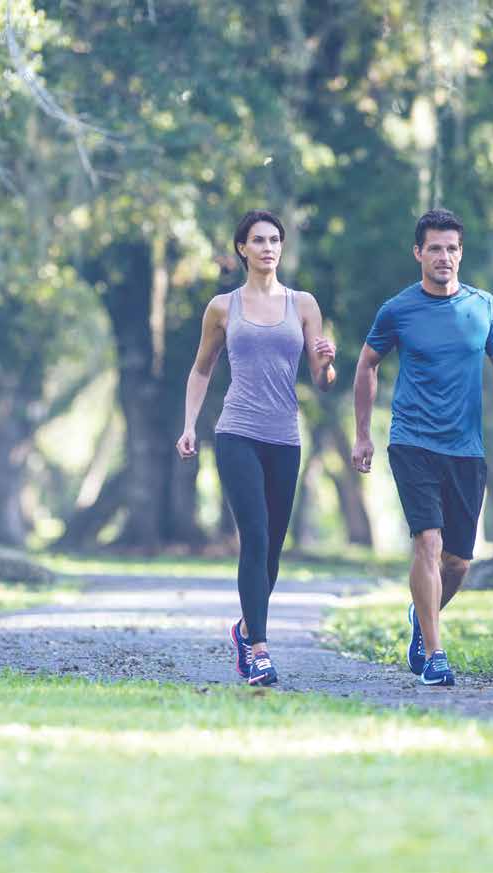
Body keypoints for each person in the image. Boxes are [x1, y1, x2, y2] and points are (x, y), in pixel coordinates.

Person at [351, 208, 493, 687]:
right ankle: (436, 652)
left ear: (460, 253)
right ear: (418, 253)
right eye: (435, 248)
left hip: (466, 447)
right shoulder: (398, 309)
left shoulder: (483, 306)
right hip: (413, 441)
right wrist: (363, 434)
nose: (444, 257)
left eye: (452, 248)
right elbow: (366, 366)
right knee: (428, 542)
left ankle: (421, 616)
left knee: (459, 561)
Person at [176, 210, 336, 686]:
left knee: (273, 554)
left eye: (275, 240)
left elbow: (322, 382)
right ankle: (260, 651)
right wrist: (189, 425)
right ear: (242, 249)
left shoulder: (303, 304)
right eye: (258, 240)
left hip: (284, 436)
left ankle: (245, 628)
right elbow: (202, 369)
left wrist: (328, 365)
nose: (268, 247)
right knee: (255, 536)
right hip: (237, 432)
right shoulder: (223, 308)